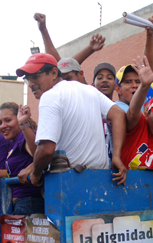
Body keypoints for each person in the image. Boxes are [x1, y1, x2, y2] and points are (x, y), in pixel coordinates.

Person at [14, 53, 127, 186]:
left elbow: (46, 150)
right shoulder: (90, 90)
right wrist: (116, 157)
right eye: (28, 80)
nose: (31, 84)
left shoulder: (50, 96)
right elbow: (118, 114)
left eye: (35, 77)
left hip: (69, 183)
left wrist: (36, 173)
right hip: (100, 179)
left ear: (54, 73)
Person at [0, 103, 43, 215]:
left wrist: (23, 123)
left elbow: (38, 154)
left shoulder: (23, 136)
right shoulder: (13, 142)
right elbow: (13, 172)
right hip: (20, 204)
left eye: (8, 120)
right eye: (0, 122)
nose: (3, 125)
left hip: (30, 203)